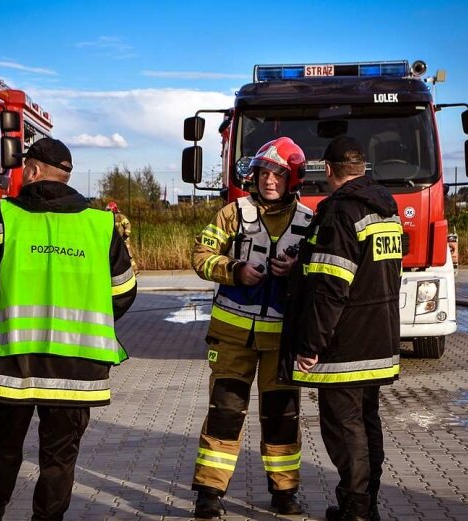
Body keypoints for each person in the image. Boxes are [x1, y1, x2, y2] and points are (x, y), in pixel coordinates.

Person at [0, 137, 137, 521]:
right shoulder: (101, 225)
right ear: (66, 177)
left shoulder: (3, 217)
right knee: (59, 461)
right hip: (77, 371)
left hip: (8, 366)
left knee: (2, 453)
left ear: (33, 171)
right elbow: (123, 291)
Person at [279, 136, 402, 521]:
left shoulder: (340, 213)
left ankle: (356, 509)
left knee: (345, 431)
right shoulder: (386, 210)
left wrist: (311, 344)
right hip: (379, 337)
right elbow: (368, 272)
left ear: (328, 170)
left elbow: (332, 286)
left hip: (345, 345)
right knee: (367, 424)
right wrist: (299, 266)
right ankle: (367, 503)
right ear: (361, 168)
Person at [190, 137, 313, 518]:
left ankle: (284, 494)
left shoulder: (310, 222)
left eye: (278, 173)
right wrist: (234, 270)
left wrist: (296, 272)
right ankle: (209, 495)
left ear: (292, 177)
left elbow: (321, 275)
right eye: (263, 172)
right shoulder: (232, 214)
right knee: (225, 413)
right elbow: (200, 255)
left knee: (282, 418)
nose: (269, 180)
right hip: (232, 337)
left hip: (281, 340)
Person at [105, 201, 138, 274]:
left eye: (108, 210)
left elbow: (127, 224)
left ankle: (135, 271)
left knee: (128, 255)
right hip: (115, 241)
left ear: (113, 210)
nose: (107, 212)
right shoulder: (108, 218)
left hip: (124, 240)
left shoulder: (120, 217)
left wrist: (126, 235)